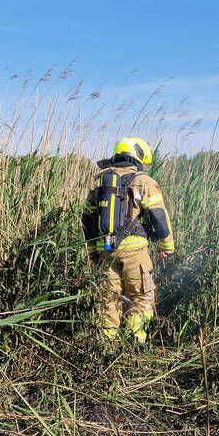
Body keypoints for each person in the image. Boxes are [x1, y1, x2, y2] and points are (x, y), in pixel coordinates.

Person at [81, 137, 175, 343]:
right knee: (141, 297)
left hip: (105, 250)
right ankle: (135, 342)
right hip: (134, 253)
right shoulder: (144, 181)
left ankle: (106, 344)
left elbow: (86, 220)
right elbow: (159, 216)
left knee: (108, 300)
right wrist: (167, 245)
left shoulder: (99, 182)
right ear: (138, 156)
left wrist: (92, 252)